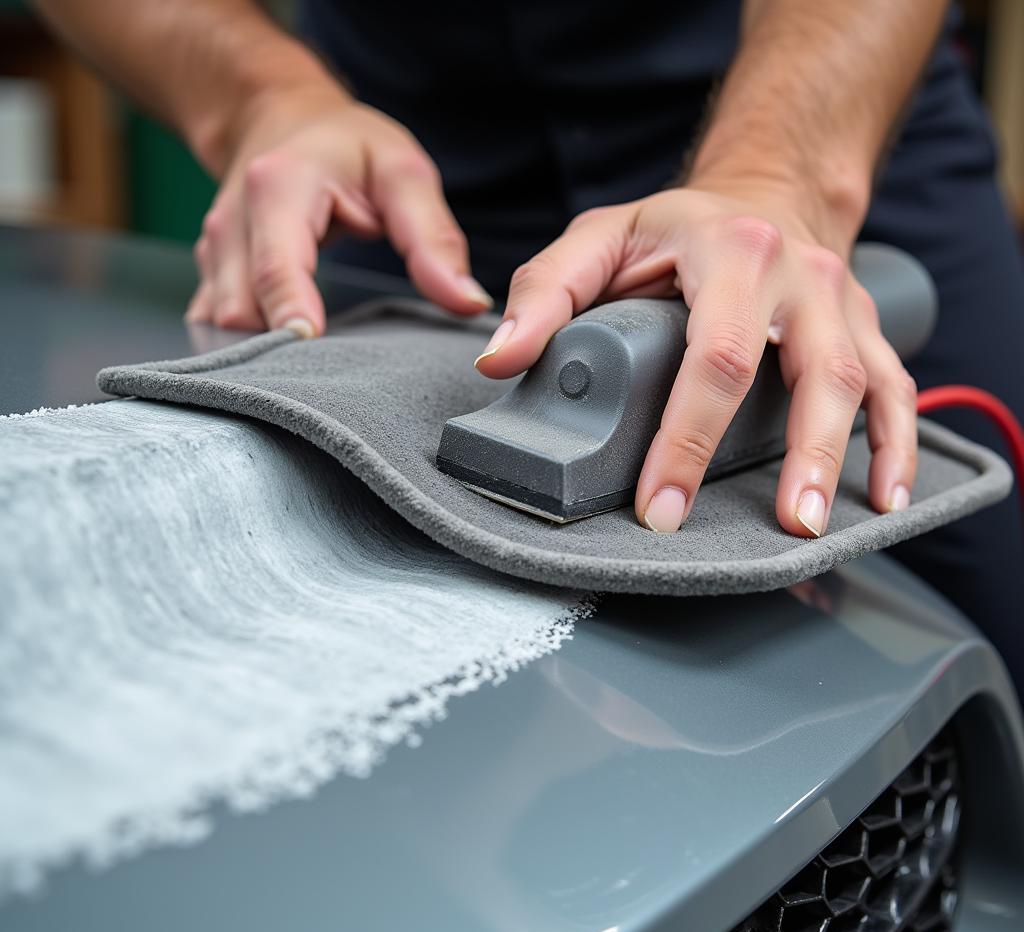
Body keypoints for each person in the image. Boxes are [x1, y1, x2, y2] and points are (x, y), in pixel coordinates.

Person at [36, 0, 1023, 686]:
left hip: (815, 158)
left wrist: (777, 178)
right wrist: (259, 96)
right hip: (413, 203)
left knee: (978, 645)